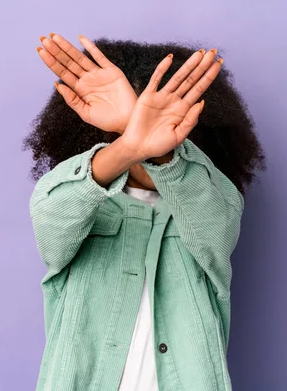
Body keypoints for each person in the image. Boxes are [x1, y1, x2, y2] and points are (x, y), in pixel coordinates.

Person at [24, 33, 265, 391]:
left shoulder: (209, 200)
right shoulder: (76, 202)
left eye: (151, 120)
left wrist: (155, 149)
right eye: (136, 120)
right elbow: (50, 213)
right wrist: (128, 142)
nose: (142, 128)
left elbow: (219, 218)